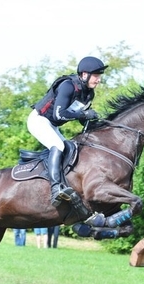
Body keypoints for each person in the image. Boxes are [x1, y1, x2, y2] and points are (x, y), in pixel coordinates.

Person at [28, 56, 108, 207]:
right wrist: (84, 114)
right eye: (96, 76)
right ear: (85, 75)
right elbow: (60, 114)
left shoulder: (89, 94)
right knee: (58, 146)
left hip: (52, 124)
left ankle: (67, 184)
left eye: (99, 76)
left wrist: (92, 120)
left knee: (71, 149)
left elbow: (80, 117)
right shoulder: (68, 86)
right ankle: (56, 188)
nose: (99, 80)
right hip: (38, 120)